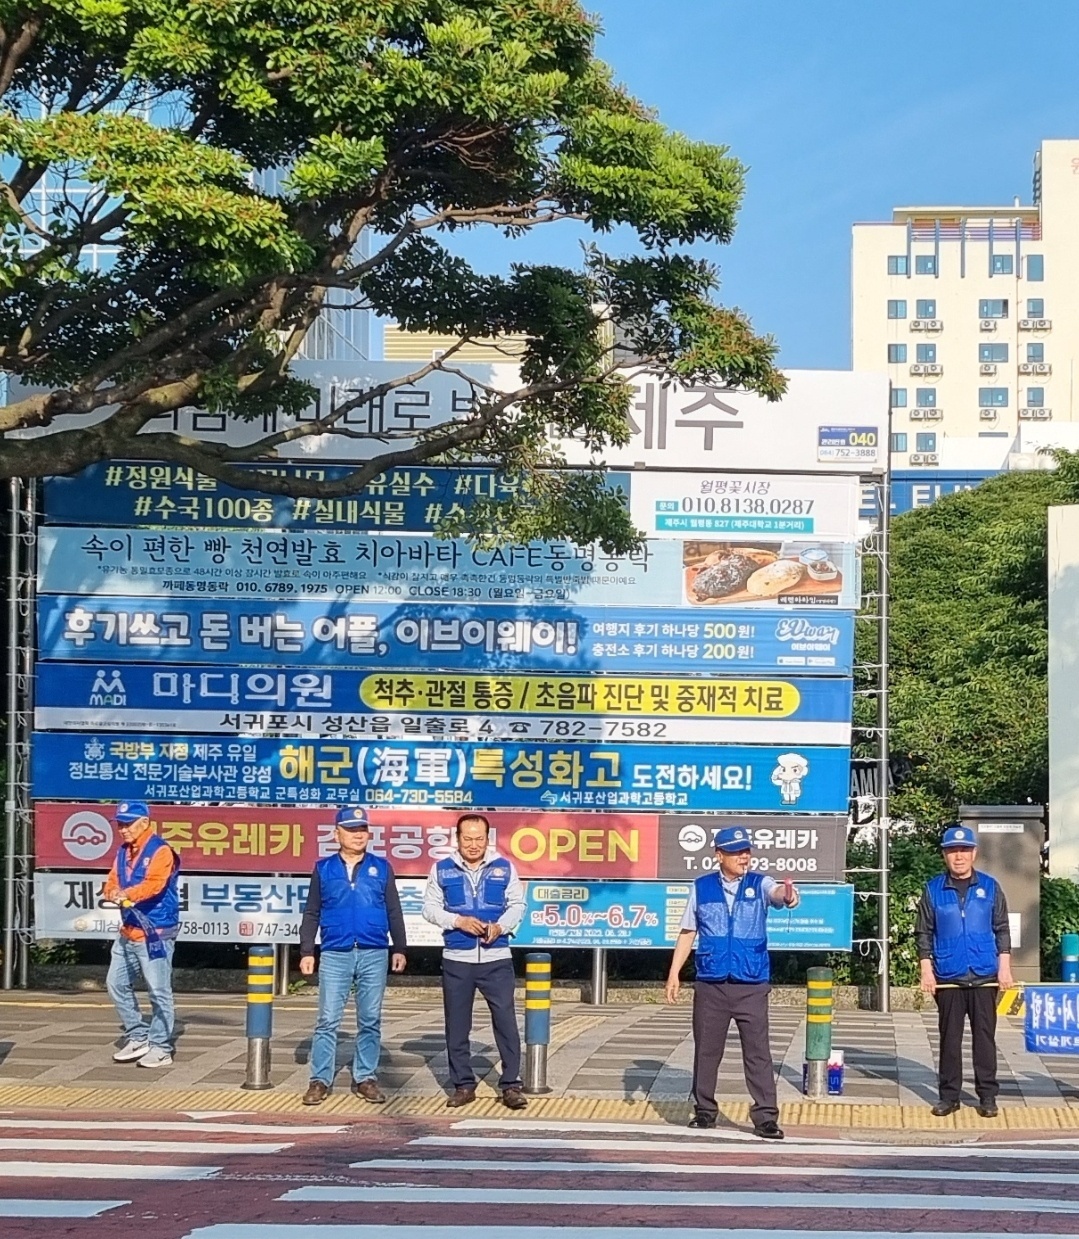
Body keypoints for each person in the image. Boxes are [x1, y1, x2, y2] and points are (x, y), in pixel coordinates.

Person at [665, 824, 799, 1139]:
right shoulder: (701, 887)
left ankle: (765, 1117)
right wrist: (674, 973)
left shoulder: (760, 883)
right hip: (711, 983)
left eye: (747, 850)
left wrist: (789, 896)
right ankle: (704, 1111)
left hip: (751, 982)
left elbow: (779, 895)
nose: (744, 856)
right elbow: (687, 933)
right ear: (719, 855)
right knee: (706, 1050)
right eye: (737, 851)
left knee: (758, 1052)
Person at [299, 806, 407, 1105]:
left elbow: (393, 909)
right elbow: (312, 911)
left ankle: (365, 1078)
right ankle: (320, 1080)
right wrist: (307, 949)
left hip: (374, 951)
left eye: (362, 830)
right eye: (351, 830)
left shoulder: (381, 867)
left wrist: (399, 947)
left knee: (370, 1019)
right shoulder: (323, 868)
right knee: (327, 1020)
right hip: (335, 951)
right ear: (337, 834)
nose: (358, 835)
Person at [423, 812, 528, 1110]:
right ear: (457, 839)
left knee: (506, 1022)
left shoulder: (504, 867)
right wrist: (457, 921)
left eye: (478, 839)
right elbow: (429, 908)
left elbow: (517, 905)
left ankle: (510, 1085)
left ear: (487, 839)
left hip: (496, 958)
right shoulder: (442, 869)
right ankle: (463, 1085)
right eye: (467, 838)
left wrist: (501, 926)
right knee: (457, 1025)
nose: (473, 844)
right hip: (457, 959)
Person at [916, 823, 1013, 1119]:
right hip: (948, 976)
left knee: (985, 1038)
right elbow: (923, 933)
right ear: (945, 855)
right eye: (952, 851)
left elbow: (1002, 929)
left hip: (984, 974)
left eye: (964, 851)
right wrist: (926, 971)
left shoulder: (990, 887)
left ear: (974, 854)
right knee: (949, 1039)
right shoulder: (933, 890)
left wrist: (1004, 968)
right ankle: (949, 1096)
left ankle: (987, 1096)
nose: (959, 857)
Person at [102, 800, 180, 1069]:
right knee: (115, 984)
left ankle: (161, 1047)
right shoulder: (123, 851)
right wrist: (111, 891)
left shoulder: (161, 851)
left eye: (127, 824)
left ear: (144, 823)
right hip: (128, 930)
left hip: (154, 932)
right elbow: (112, 879)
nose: (122, 829)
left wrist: (126, 895)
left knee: (159, 992)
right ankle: (137, 1035)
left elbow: (155, 885)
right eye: (120, 824)